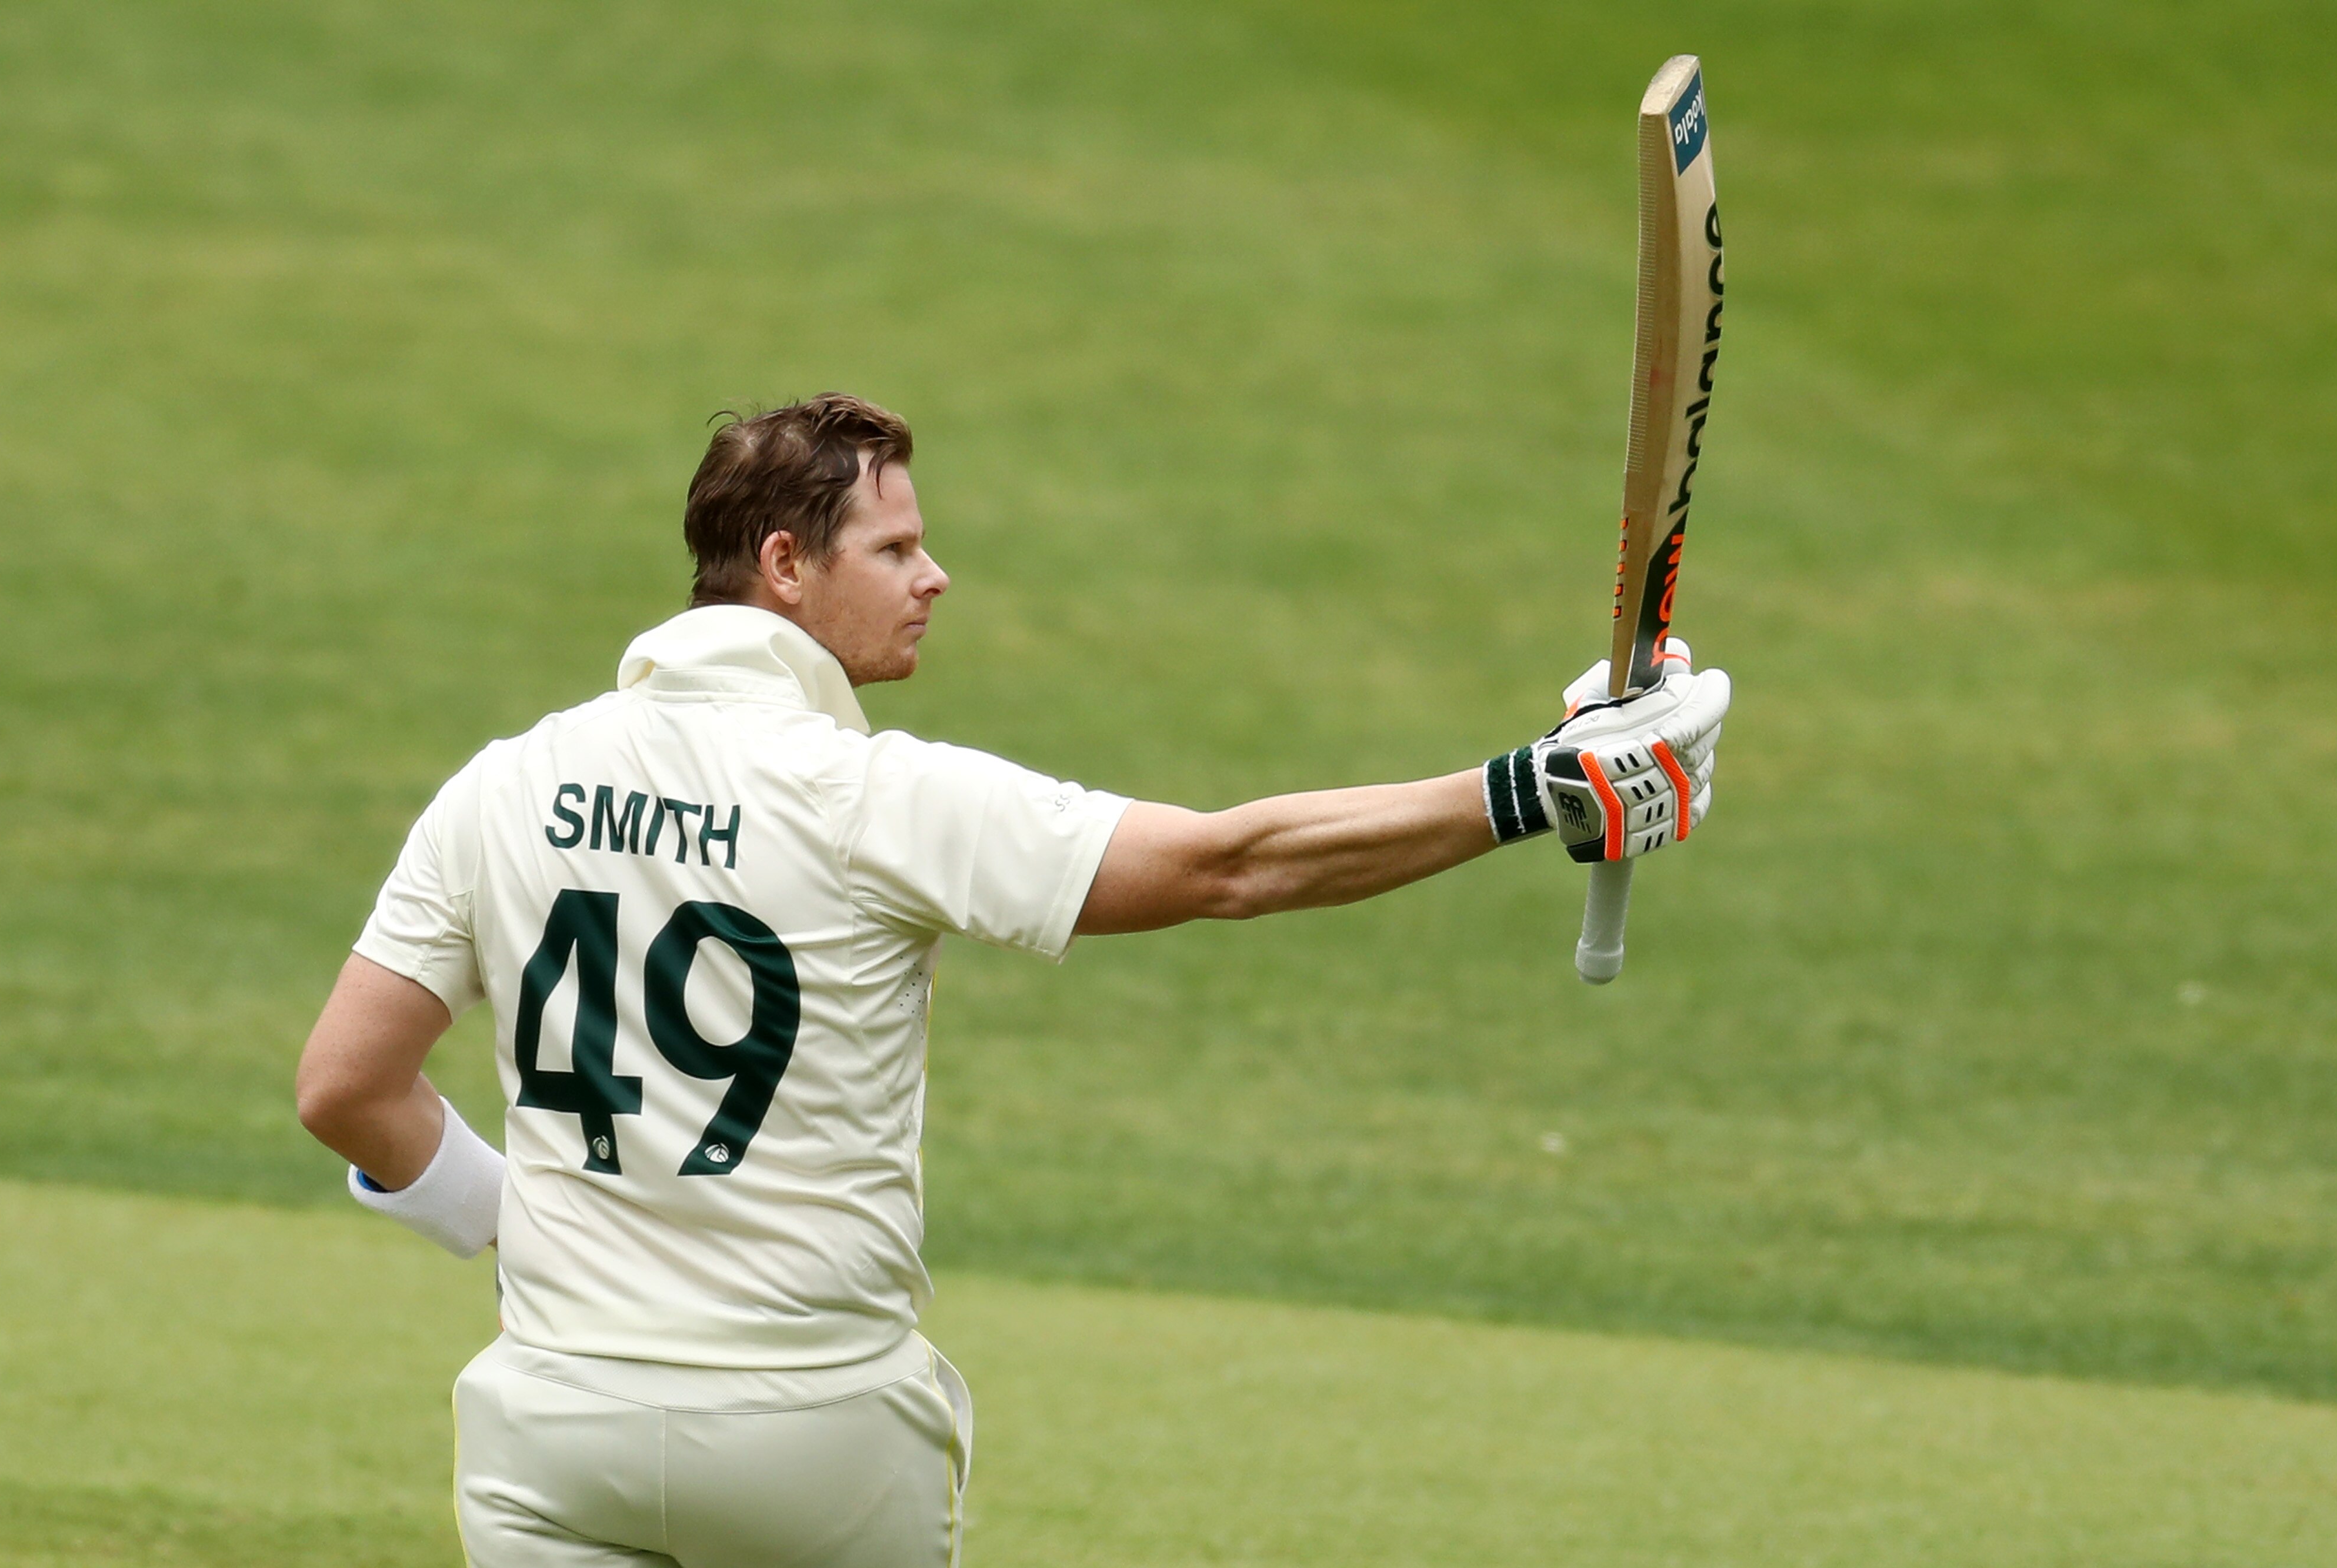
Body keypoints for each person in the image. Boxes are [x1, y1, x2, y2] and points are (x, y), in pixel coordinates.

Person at [295, 393, 1730, 1568]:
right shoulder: (865, 795)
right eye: (895, 547)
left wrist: (516, 1232)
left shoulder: (503, 786)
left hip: (552, 1428)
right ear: (786, 568)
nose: (935, 577)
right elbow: (1229, 865)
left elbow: (346, 1086)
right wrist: (1532, 789)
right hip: (813, 1438)